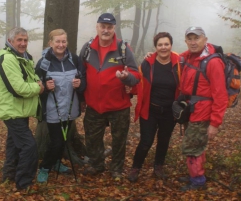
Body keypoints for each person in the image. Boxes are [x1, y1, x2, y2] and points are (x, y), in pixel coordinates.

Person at [79, 13, 140, 179]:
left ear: (114, 29)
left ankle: (116, 169)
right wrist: (81, 99)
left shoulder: (123, 48)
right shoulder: (87, 48)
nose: (106, 30)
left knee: (119, 140)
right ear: (97, 27)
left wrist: (126, 77)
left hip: (118, 106)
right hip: (93, 105)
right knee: (92, 138)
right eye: (103, 27)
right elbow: (81, 75)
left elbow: (136, 75)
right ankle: (97, 164)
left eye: (109, 27)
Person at [178, 26, 228, 191]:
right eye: (189, 39)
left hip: (202, 113)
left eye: (196, 38)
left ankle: (198, 181)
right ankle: (195, 174)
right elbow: (175, 57)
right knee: (196, 146)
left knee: (192, 147)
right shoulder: (190, 57)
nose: (193, 42)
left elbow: (220, 95)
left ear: (205, 40)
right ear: (186, 41)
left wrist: (215, 123)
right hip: (191, 111)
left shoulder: (212, 62)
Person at [127, 32, 181, 183]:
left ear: (171, 45)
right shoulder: (147, 64)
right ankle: (135, 168)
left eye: (166, 44)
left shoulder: (178, 63)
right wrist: (128, 89)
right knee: (146, 141)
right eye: (160, 45)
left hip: (170, 112)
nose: (163, 47)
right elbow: (138, 82)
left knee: (164, 141)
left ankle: (158, 167)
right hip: (150, 110)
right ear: (155, 47)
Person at [0, 27, 44, 191]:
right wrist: (38, 88)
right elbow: (18, 88)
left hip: (19, 110)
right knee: (29, 146)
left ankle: (9, 174)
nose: (23, 43)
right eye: (19, 40)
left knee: (14, 144)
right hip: (12, 111)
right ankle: (24, 183)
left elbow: (31, 77)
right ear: (10, 41)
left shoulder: (22, 57)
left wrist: (39, 82)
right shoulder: (8, 59)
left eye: (25, 40)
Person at [34, 29, 86, 183]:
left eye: (64, 41)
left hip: (70, 108)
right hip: (52, 109)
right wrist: (45, 86)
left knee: (64, 139)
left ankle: (56, 163)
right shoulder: (43, 63)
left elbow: (84, 81)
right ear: (50, 43)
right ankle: (44, 167)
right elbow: (35, 86)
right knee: (57, 141)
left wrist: (80, 84)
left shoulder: (74, 60)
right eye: (57, 41)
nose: (61, 44)